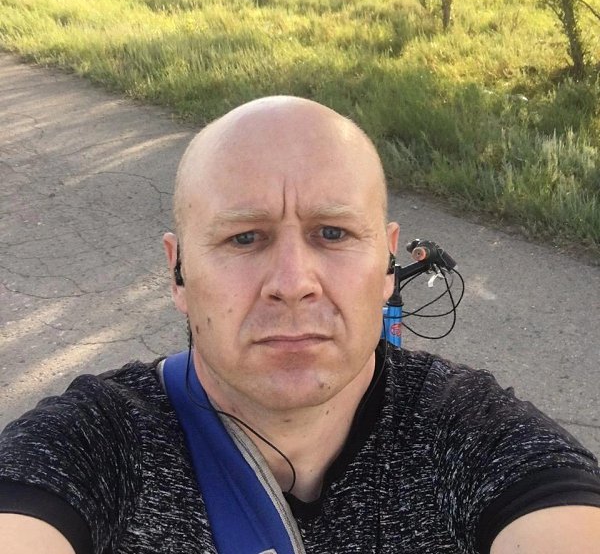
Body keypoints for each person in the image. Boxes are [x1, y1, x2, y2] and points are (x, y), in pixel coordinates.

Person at [0, 96, 599, 554]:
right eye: (244, 237)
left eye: (332, 233)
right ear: (178, 273)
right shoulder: (96, 442)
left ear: (387, 264)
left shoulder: (470, 430)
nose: (293, 282)